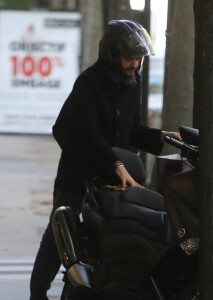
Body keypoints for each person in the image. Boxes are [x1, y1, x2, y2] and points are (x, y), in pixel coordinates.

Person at [29, 19, 181, 300]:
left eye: (138, 59)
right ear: (111, 54)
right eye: (129, 58)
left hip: (112, 176)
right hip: (78, 172)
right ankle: (37, 294)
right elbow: (87, 134)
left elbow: (132, 131)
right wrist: (116, 164)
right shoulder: (89, 82)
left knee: (103, 239)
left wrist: (163, 137)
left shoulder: (132, 84)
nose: (134, 65)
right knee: (60, 231)